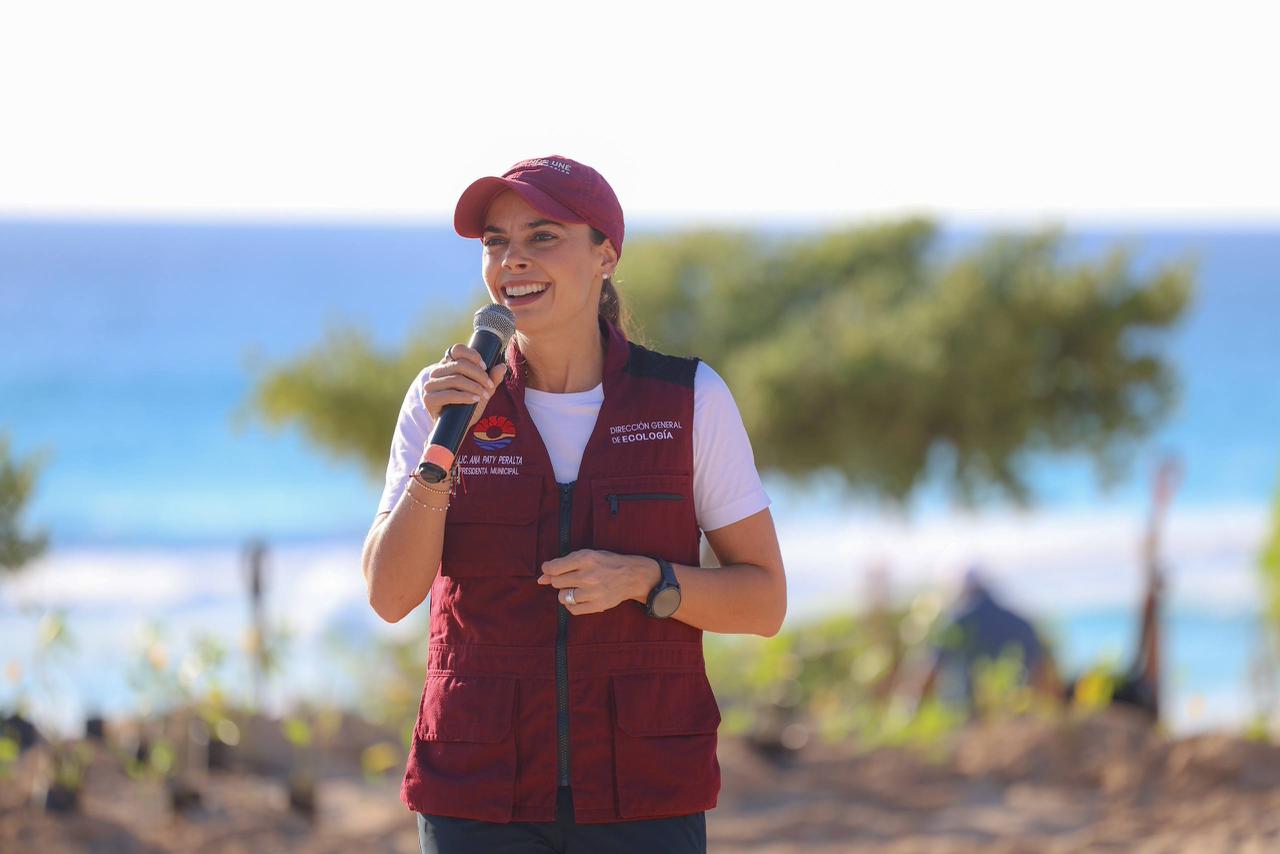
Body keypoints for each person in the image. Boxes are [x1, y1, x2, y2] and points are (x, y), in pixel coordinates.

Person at [361, 155, 787, 854]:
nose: (513, 260)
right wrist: (443, 452)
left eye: (543, 237)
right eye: (496, 242)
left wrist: (646, 579)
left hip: (645, 790)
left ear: (605, 256)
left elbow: (764, 602)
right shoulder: (440, 400)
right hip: (476, 793)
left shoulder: (689, 399)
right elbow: (388, 595)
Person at [911, 567, 1061, 713]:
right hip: (1017, 712)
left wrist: (912, 711)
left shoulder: (955, 623)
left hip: (966, 715)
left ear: (963, 589)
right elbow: (1044, 668)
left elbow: (931, 672)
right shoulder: (1019, 623)